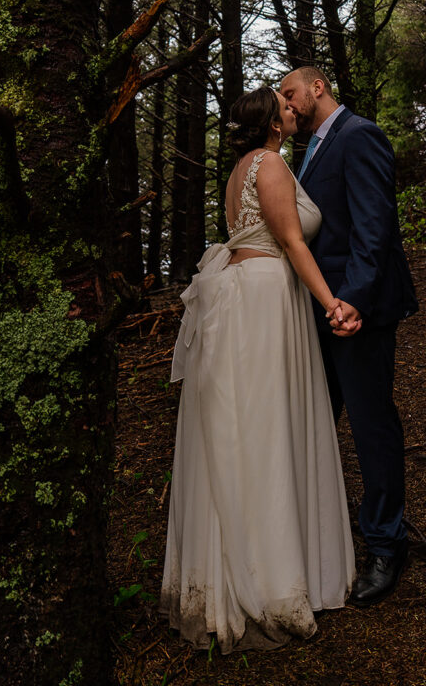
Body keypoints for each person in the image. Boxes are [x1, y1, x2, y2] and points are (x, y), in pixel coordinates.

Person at [160, 86, 356, 654]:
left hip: (253, 295)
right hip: (267, 297)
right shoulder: (268, 164)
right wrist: (331, 303)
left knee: (249, 431)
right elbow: (293, 243)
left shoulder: (243, 166)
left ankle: (254, 562)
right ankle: (270, 580)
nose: (293, 109)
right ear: (273, 123)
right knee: (265, 431)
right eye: (285, 106)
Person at [279, 66, 417, 608]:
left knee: (370, 423)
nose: (286, 104)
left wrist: (353, 298)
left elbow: (374, 224)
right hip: (323, 310)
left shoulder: (359, 134)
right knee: (316, 420)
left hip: (359, 310)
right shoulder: (306, 152)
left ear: (318, 87)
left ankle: (387, 544)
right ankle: (320, 535)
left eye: (290, 93)